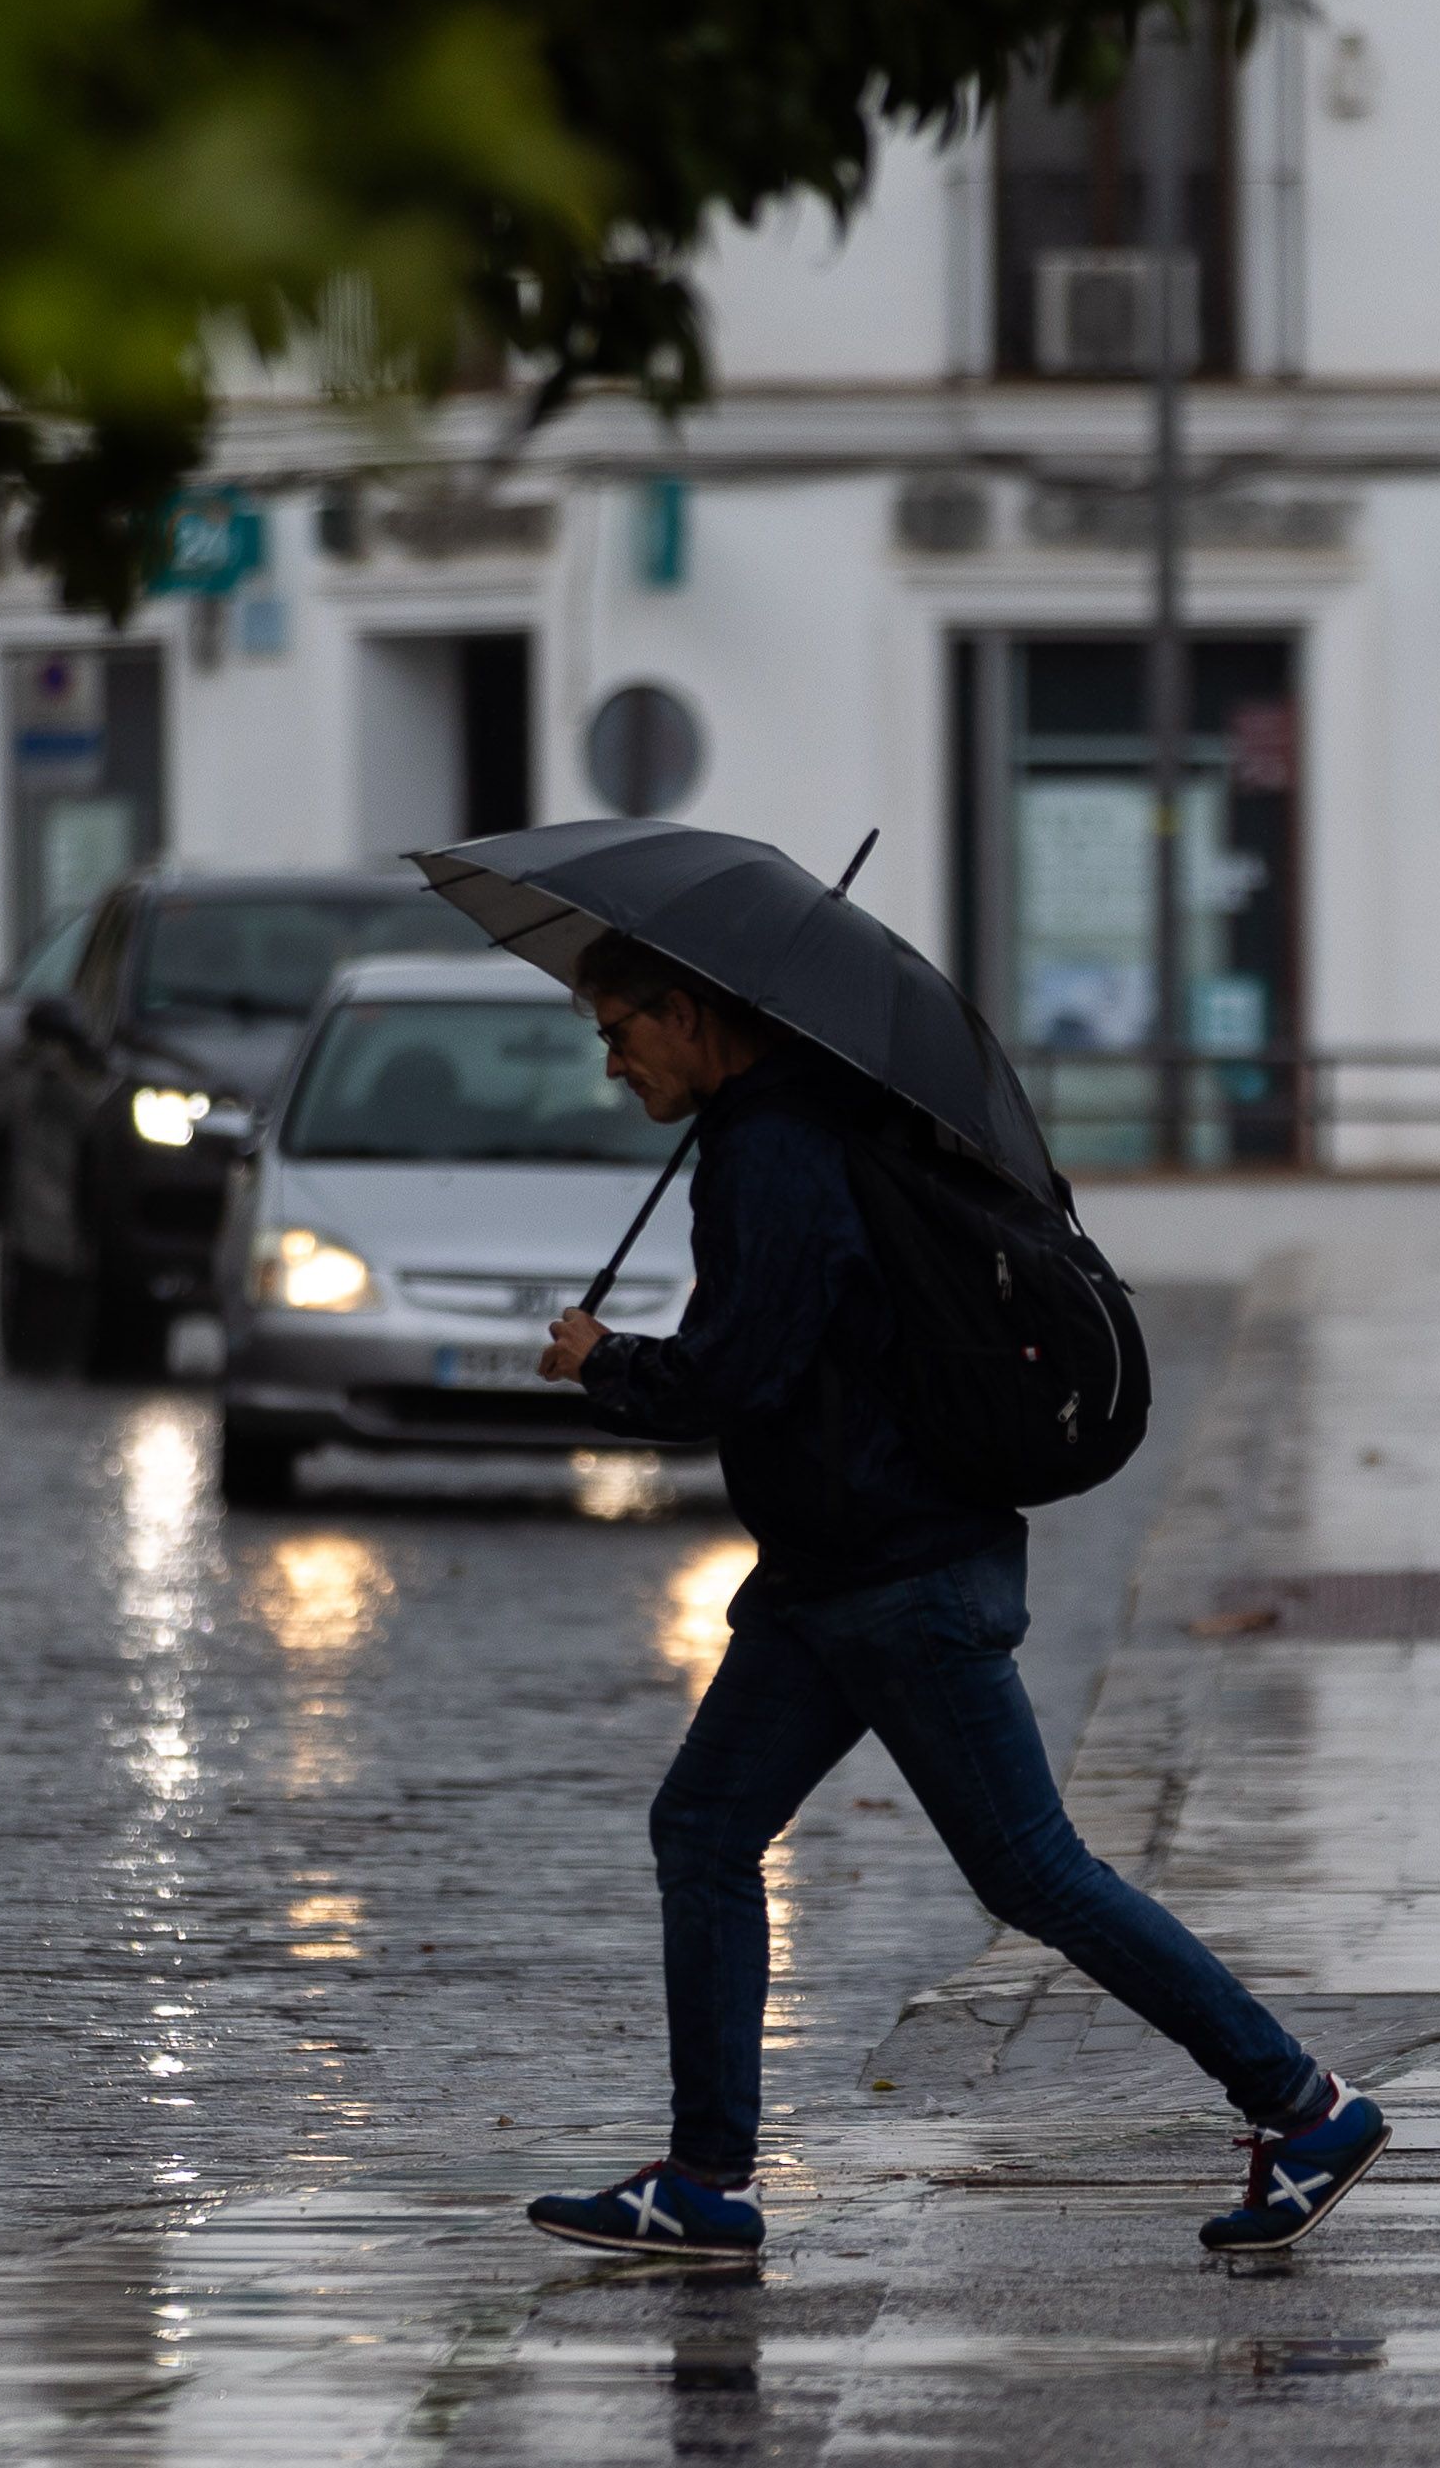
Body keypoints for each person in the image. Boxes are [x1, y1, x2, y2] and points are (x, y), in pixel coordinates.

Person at [521, 931, 1386, 2263]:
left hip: (895, 1573)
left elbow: (737, 1374)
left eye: (618, 1030)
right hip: (835, 1572)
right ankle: (705, 2182)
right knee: (702, 1830)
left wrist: (604, 1363)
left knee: (1033, 1872)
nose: (612, 1062)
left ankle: (1306, 2107)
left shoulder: (775, 1149)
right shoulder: (811, 1122)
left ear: (686, 1013)